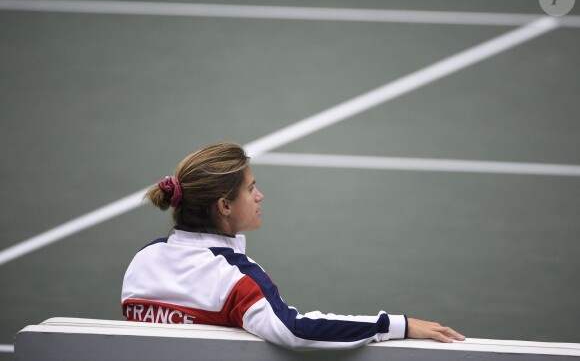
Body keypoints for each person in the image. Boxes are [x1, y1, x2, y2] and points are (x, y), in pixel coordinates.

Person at [121, 142, 465, 350]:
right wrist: (396, 325)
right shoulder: (236, 278)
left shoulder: (143, 259)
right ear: (224, 206)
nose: (260, 196)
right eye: (251, 188)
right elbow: (295, 331)